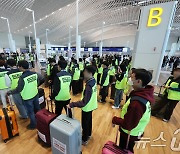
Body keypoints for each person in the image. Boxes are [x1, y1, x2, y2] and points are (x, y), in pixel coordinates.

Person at [112, 69, 154, 153]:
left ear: (138, 81)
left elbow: (128, 124)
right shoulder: (144, 94)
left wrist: (115, 120)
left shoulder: (137, 103)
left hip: (130, 133)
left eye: (131, 78)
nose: (129, 80)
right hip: (135, 131)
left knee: (125, 150)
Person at [7, 60, 44, 130]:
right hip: (35, 94)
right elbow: (38, 81)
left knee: (30, 112)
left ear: (21, 67)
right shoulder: (34, 73)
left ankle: (33, 125)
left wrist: (10, 92)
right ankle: (40, 121)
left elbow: (19, 89)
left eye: (19, 66)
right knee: (38, 108)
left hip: (27, 97)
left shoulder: (22, 77)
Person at [67, 65, 98, 145]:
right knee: (89, 121)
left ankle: (85, 139)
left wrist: (72, 104)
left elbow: (84, 102)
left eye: (85, 72)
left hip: (87, 107)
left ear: (90, 73)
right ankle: (88, 134)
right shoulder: (93, 81)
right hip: (91, 105)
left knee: (85, 123)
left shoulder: (89, 86)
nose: (83, 73)